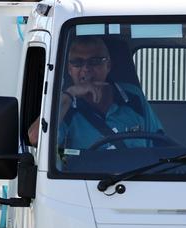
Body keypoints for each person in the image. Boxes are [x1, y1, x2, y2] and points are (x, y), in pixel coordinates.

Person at [28, 36, 163, 148]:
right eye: (77, 62)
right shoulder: (63, 106)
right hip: (79, 180)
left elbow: (159, 141)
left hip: (137, 178)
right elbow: (35, 138)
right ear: (69, 69)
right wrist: (70, 94)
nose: (86, 69)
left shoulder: (133, 96)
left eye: (95, 61)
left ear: (108, 65)